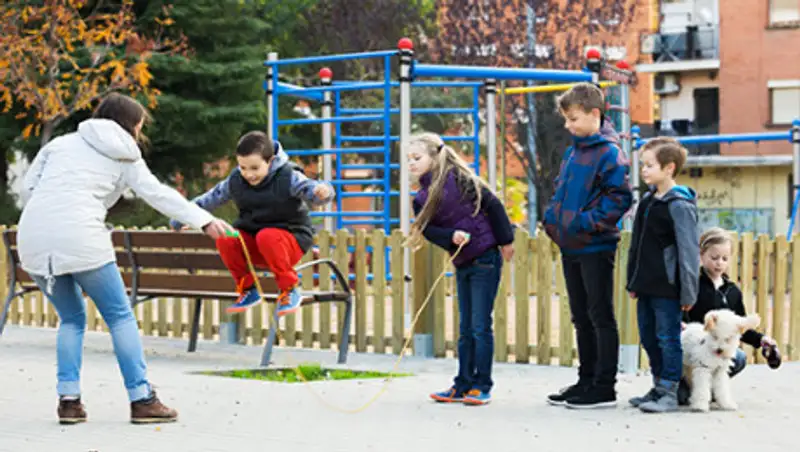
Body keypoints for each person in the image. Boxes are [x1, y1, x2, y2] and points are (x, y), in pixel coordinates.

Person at [17, 93, 233, 425]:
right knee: (119, 317)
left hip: (34, 238)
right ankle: (142, 399)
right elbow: (157, 193)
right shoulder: (124, 154)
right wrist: (203, 220)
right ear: (131, 125)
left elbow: (29, 191)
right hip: (83, 238)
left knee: (71, 320)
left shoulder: (59, 145)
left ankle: (69, 402)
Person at [170, 131, 334, 316]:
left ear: (270, 162)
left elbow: (311, 190)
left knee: (268, 236)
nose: (249, 174)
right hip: (256, 244)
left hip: (290, 241)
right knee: (226, 236)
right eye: (243, 168)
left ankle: (290, 289)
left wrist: (323, 191)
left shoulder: (288, 176)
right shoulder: (235, 181)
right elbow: (210, 199)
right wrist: (185, 215)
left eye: (255, 168)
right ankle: (248, 289)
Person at [406, 132, 514, 406]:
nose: (411, 164)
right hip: (463, 261)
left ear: (434, 156)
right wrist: (450, 236)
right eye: (408, 160)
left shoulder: (460, 180)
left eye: (417, 158)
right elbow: (429, 230)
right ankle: (462, 383)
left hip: (485, 259)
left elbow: (493, 204)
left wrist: (506, 241)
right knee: (465, 327)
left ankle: (482, 385)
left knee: (479, 325)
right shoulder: (421, 198)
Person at [542, 83, 633, 409]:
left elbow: (619, 198)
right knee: (581, 316)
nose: (569, 126)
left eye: (574, 119)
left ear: (595, 114)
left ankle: (604, 387)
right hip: (571, 247)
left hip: (595, 247)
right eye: (566, 120)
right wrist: (552, 220)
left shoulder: (610, 152)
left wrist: (583, 224)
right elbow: (559, 191)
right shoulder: (574, 151)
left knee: (600, 315)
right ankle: (585, 380)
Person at [626, 137, 700, 413]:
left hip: (668, 287)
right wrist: (632, 280)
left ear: (669, 168)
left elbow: (689, 250)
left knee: (668, 338)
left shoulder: (679, 205)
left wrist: (688, 291)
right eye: (643, 165)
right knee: (647, 336)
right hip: (645, 284)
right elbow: (636, 245)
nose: (643, 170)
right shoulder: (647, 201)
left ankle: (669, 391)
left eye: (649, 165)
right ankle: (659, 385)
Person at [676, 226, 781, 404]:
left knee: (738, 357)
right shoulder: (693, 284)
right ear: (701, 256)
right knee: (682, 395)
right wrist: (681, 323)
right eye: (714, 258)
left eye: (724, 259)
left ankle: (711, 388)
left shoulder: (733, 291)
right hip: (695, 346)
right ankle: (685, 384)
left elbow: (741, 327)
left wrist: (762, 340)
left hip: (719, 348)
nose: (719, 263)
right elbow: (681, 311)